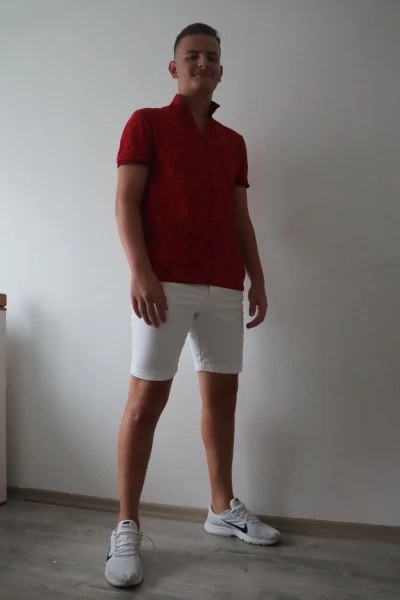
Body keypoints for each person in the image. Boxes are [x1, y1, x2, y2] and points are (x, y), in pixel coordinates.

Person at [105, 22, 281, 588]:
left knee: (222, 398)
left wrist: (257, 277)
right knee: (145, 401)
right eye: (192, 56)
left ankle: (221, 507)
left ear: (221, 69)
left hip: (224, 286)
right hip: (163, 285)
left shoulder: (233, 143)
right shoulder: (147, 124)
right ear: (174, 67)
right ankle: (126, 524)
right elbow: (125, 203)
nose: (202, 63)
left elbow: (239, 217)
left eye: (211, 57)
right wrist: (141, 272)